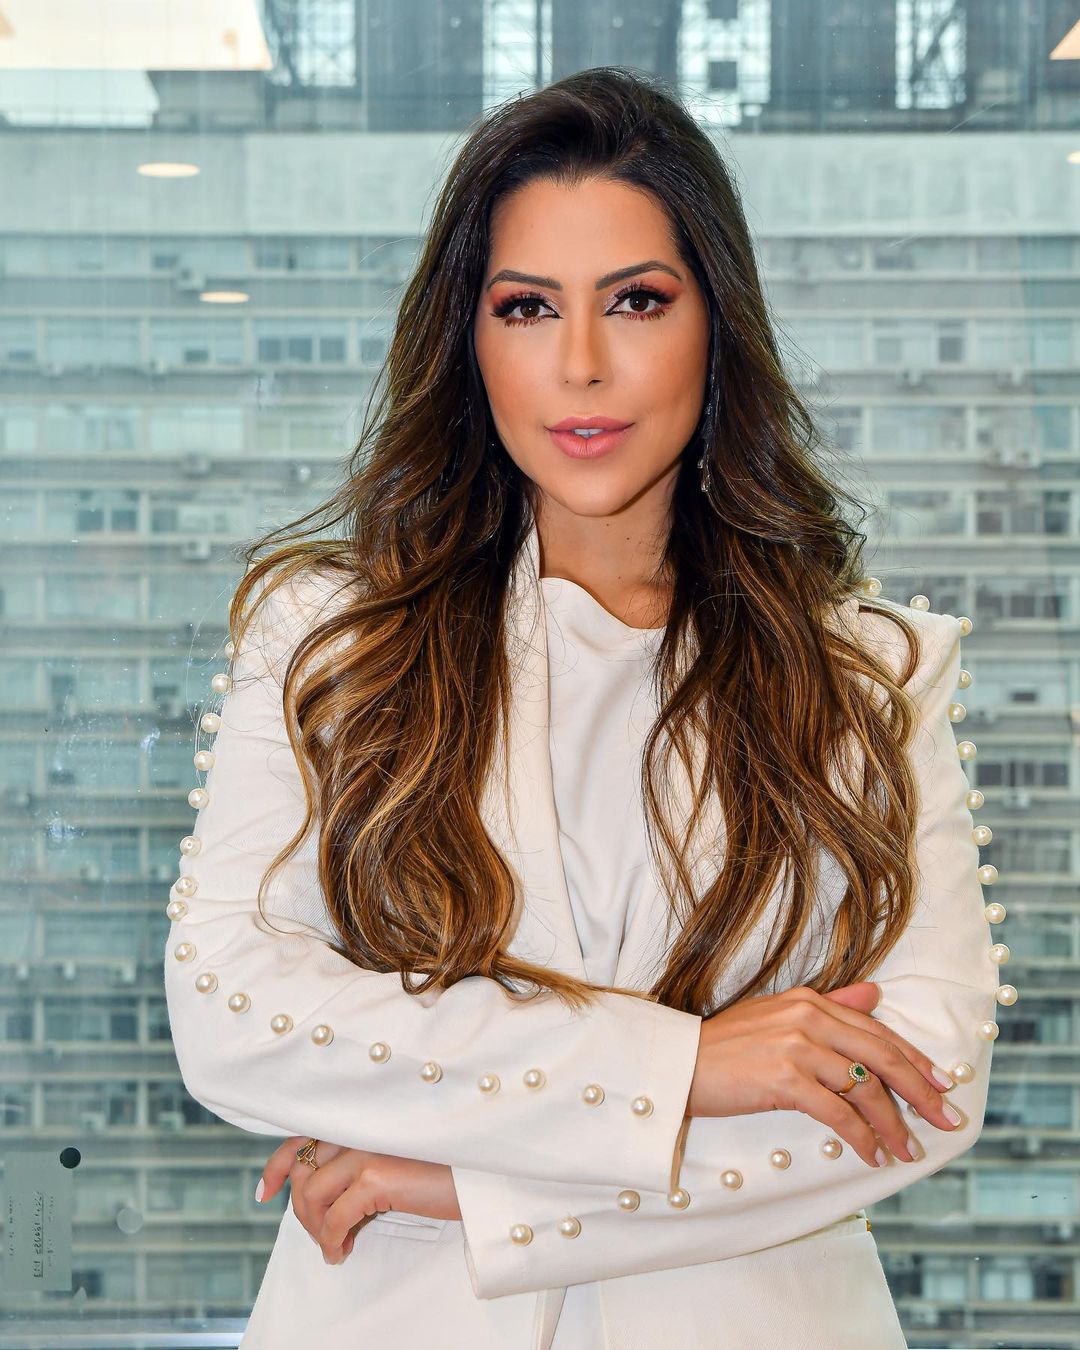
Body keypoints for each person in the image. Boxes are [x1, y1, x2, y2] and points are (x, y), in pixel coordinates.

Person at [163, 65, 1011, 1349]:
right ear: (470, 340)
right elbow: (234, 1013)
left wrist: (485, 1193)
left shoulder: (863, 671)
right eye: (526, 307)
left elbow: (923, 1084)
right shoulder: (332, 637)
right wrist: (686, 1070)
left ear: (716, 325)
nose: (580, 365)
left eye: (636, 301)